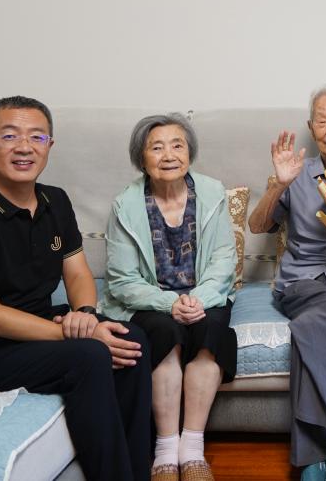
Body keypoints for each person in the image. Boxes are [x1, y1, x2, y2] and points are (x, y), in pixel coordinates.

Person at [0, 96, 152, 481]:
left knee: (132, 339)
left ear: (49, 145)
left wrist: (85, 315)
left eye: (37, 137)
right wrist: (78, 335)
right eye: (9, 136)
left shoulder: (55, 200)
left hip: (34, 328)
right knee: (88, 355)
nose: (24, 147)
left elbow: (77, 274)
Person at [102, 114, 238, 481]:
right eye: (156, 147)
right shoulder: (125, 205)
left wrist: (198, 299)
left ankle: (192, 450)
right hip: (150, 299)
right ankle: (165, 450)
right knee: (164, 334)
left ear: (189, 153)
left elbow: (224, 260)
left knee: (210, 331)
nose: (168, 155)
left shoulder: (212, 193)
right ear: (141, 158)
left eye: (177, 145)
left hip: (205, 295)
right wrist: (169, 304)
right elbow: (122, 279)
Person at [247, 85, 326, 481]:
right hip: (300, 283)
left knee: (314, 325)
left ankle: (312, 458)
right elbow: (258, 225)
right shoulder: (296, 174)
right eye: (321, 121)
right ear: (311, 128)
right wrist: (278, 184)